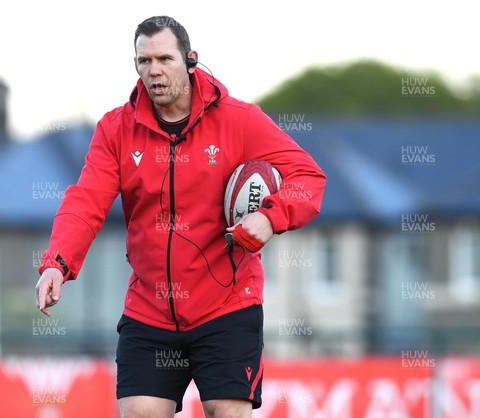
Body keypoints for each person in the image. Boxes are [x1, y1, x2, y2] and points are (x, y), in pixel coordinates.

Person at [35, 15, 326, 418]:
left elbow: (308, 177)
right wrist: (57, 263)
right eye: (144, 61)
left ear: (190, 60)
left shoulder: (239, 120)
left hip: (226, 305)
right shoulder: (116, 129)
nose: (154, 70)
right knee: (140, 412)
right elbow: (85, 202)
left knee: (225, 410)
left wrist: (271, 218)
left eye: (165, 59)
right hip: (149, 309)